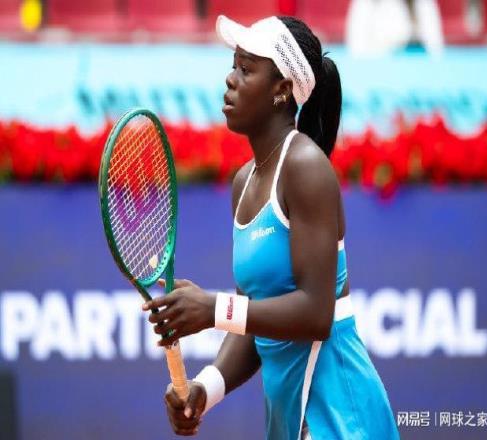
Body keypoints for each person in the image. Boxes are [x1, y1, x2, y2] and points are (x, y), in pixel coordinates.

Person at [142, 14, 400, 439]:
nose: (230, 79)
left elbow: (315, 314)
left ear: (282, 90)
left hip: (340, 416)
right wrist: (205, 389)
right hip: (290, 419)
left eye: (246, 69)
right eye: (233, 66)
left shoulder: (306, 166)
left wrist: (214, 310)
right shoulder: (244, 183)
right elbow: (256, 320)